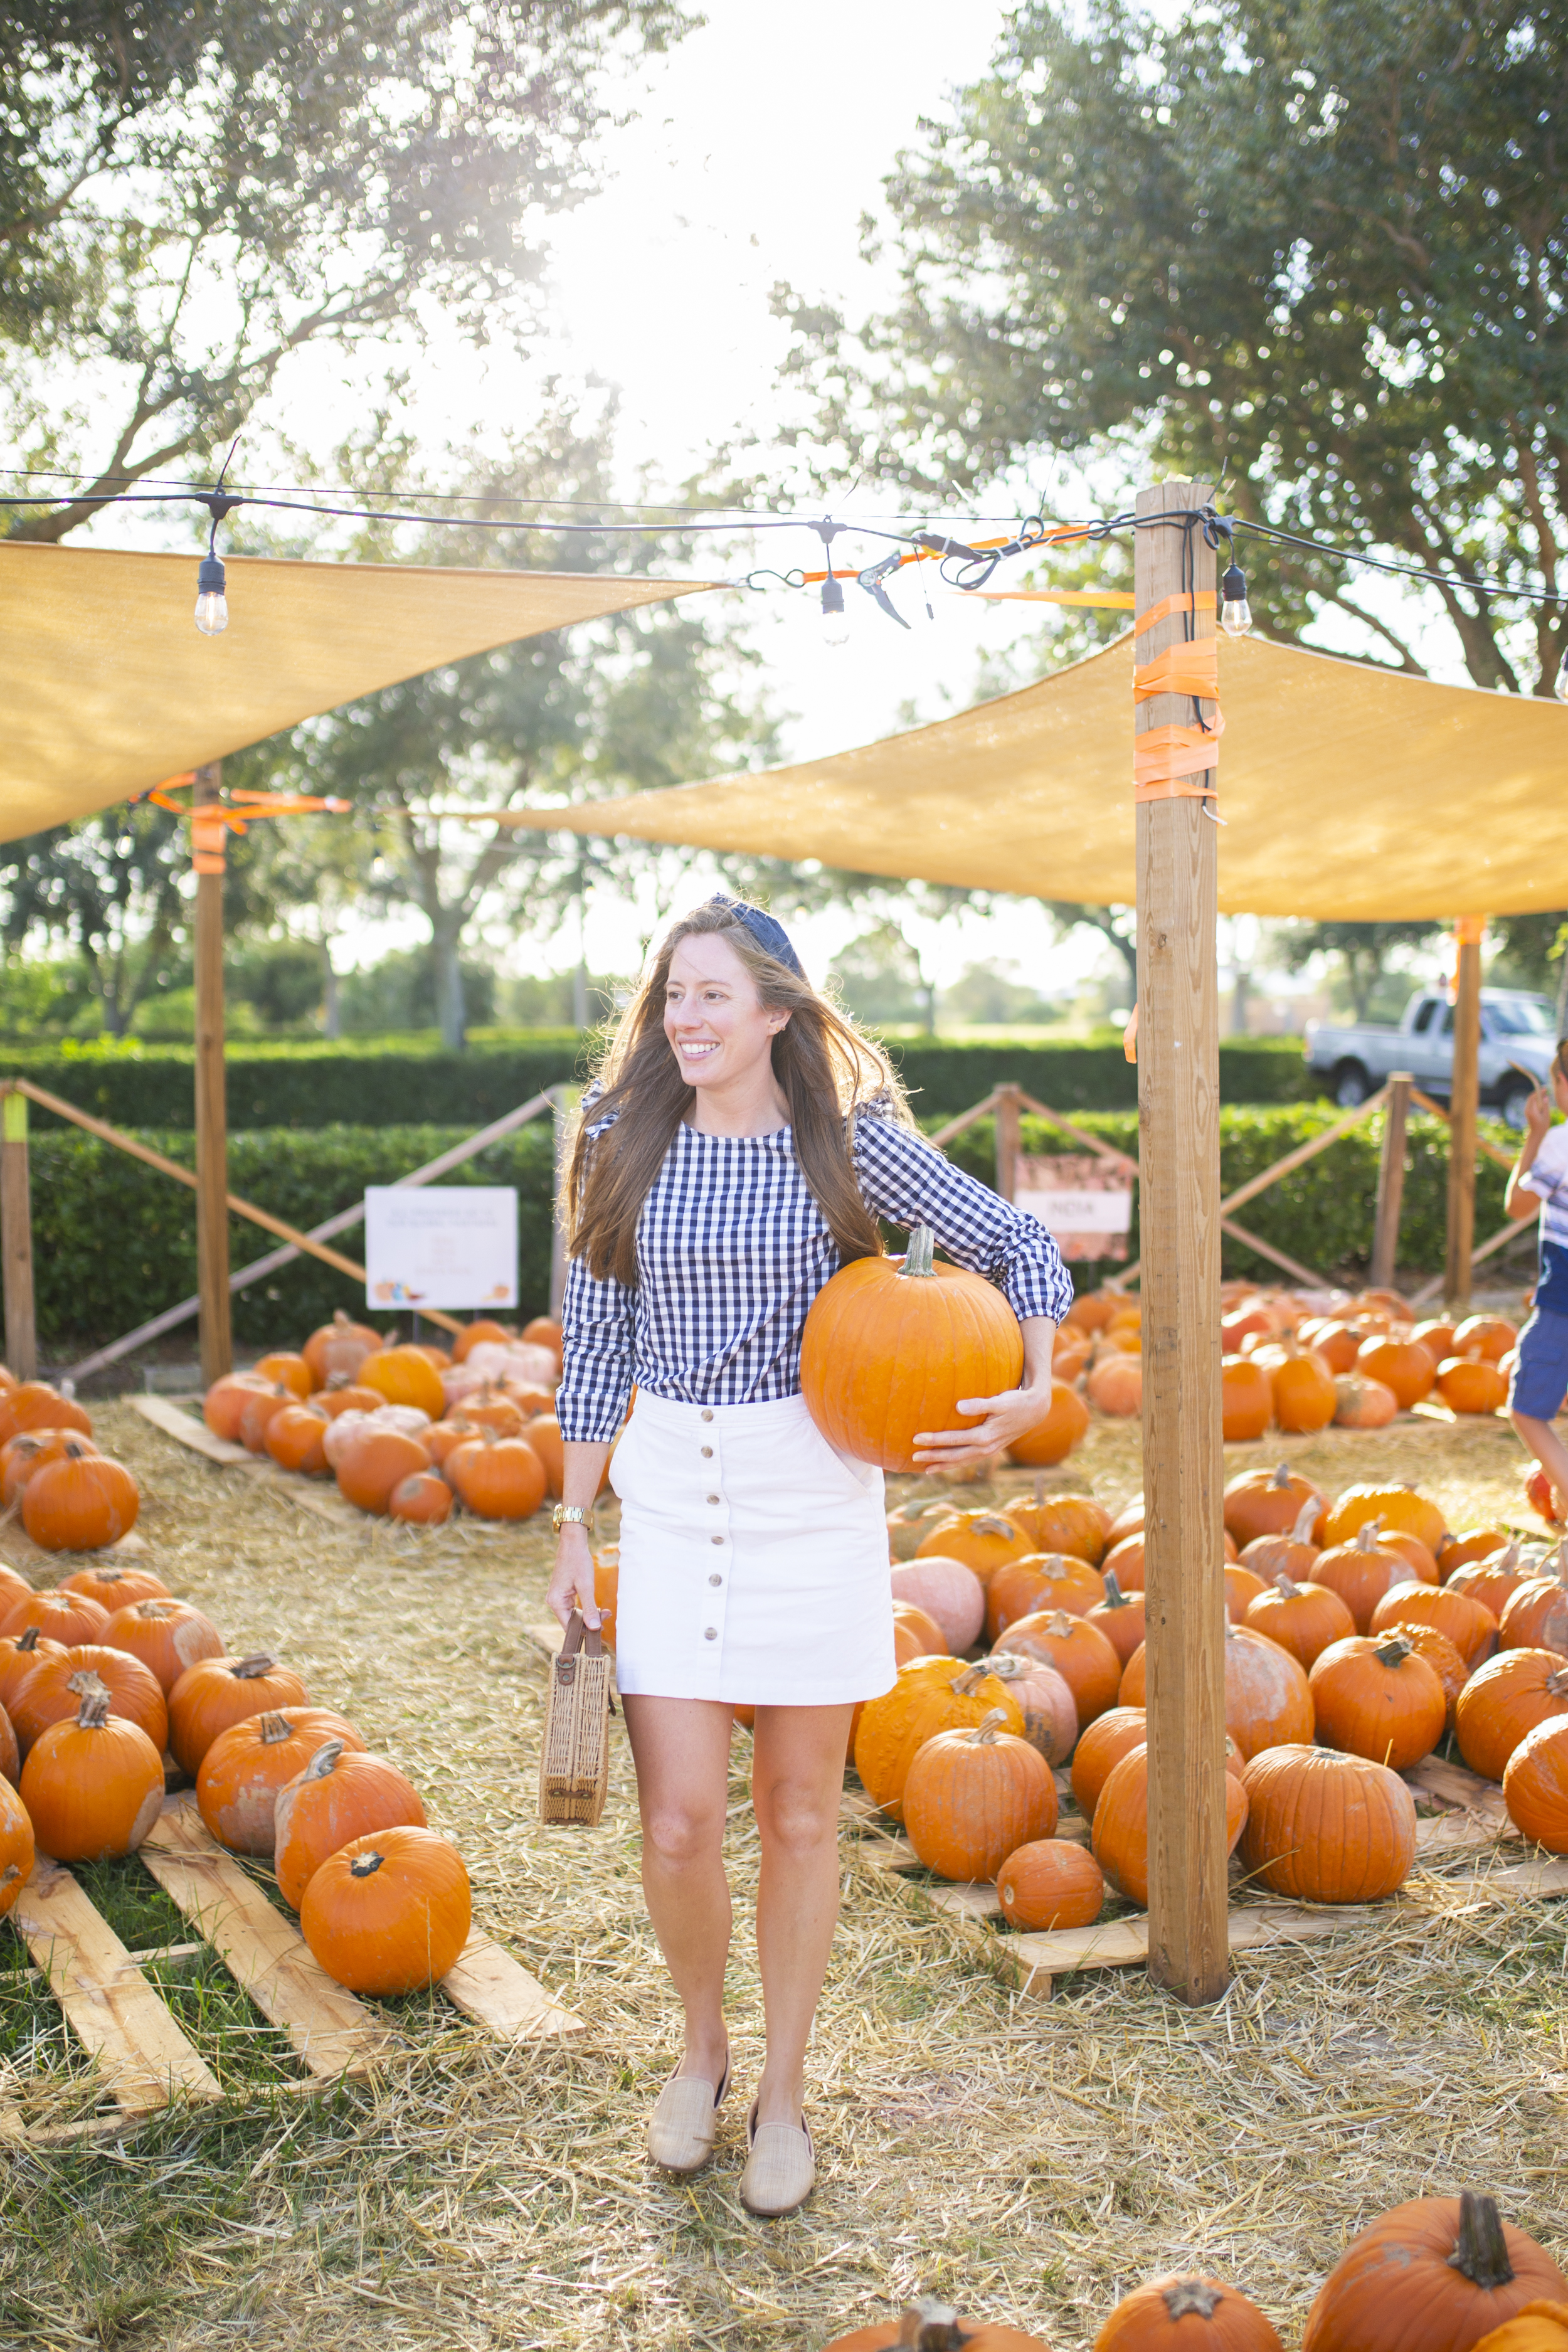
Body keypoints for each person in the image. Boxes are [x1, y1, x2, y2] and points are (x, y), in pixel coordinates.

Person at [546, 896, 1071, 2218]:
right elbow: (595, 1340)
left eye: (713, 996)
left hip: (808, 1494)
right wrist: (569, 1521)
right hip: (668, 1497)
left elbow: (1018, 1242)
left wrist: (1032, 1379)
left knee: (793, 1815)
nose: (686, 1019)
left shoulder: (848, 1147)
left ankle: (783, 2091)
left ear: (777, 1010)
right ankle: (701, 2055)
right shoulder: (620, 1137)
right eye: (674, 996)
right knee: (672, 1822)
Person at [1505, 1038, 1568, 1522]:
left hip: (1563, 1298)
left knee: (1527, 1409)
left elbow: (1517, 1208)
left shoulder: (1559, 1145)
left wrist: (1535, 1134)